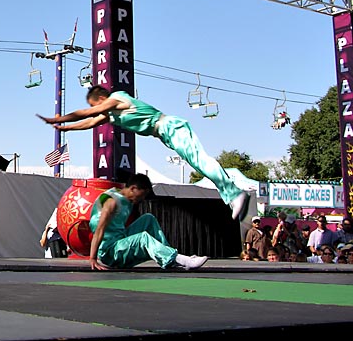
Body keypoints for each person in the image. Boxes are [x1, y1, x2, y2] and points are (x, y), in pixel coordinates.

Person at [38, 85, 248, 220]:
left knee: (200, 161)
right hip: (165, 133)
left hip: (169, 126)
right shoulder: (112, 114)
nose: (100, 111)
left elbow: (89, 113)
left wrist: (60, 119)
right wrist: (66, 129)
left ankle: (235, 193)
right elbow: (90, 122)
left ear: (102, 98)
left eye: (98, 106)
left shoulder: (118, 98)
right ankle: (230, 195)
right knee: (198, 164)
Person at [87, 173, 207, 271]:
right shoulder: (111, 202)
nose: (142, 199)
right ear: (133, 188)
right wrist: (93, 258)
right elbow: (99, 230)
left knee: (148, 218)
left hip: (119, 241)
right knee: (143, 238)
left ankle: (168, 255)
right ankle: (178, 259)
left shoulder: (127, 200)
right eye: (142, 195)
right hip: (109, 253)